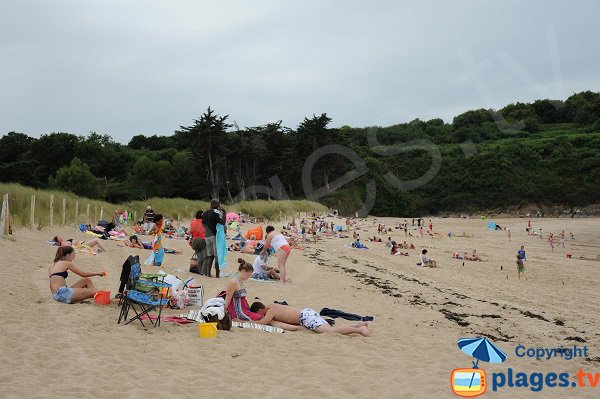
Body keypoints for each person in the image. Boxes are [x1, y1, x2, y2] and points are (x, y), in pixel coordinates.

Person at [250, 302, 370, 336]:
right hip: (307, 312)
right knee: (329, 329)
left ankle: (360, 330)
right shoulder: (272, 305)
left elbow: (263, 322)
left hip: (305, 318)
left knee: (331, 332)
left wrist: (248, 322)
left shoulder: (271, 311)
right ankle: (359, 325)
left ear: (260, 310)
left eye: (260, 314)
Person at [201, 199, 225, 277]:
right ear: (215, 204)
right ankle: (217, 274)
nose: (219, 206)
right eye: (218, 204)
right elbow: (222, 223)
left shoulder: (204, 213)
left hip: (207, 236)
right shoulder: (216, 213)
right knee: (216, 256)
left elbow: (203, 224)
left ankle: (208, 273)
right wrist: (224, 213)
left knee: (210, 256)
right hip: (214, 236)